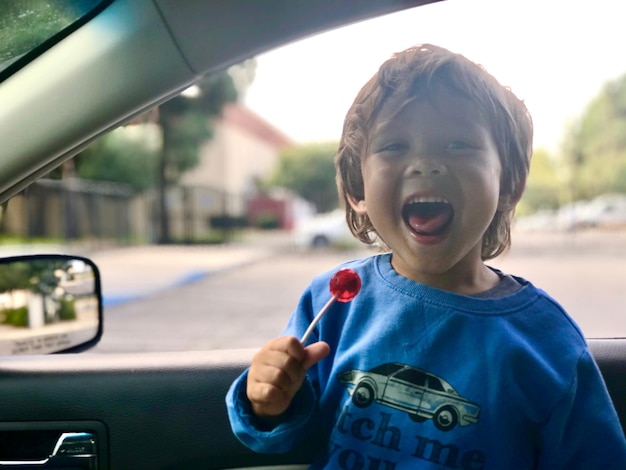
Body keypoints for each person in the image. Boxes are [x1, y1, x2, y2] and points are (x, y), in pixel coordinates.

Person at [226, 44, 626, 469]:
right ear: (357, 190)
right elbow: (287, 436)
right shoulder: (334, 302)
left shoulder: (547, 342)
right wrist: (268, 402)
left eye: (459, 144)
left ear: (508, 183)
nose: (426, 164)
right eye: (395, 146)